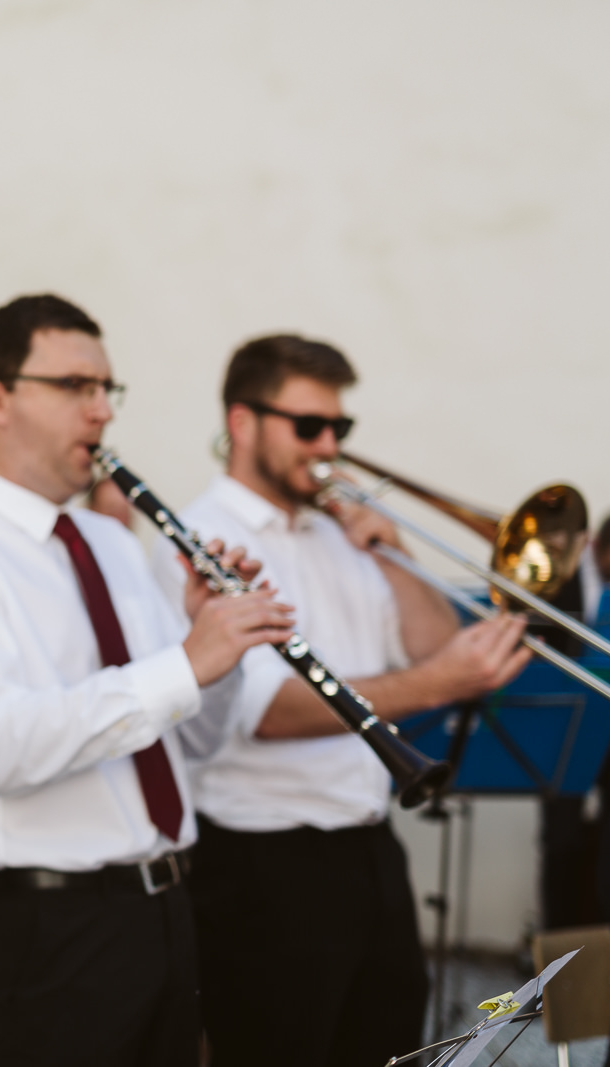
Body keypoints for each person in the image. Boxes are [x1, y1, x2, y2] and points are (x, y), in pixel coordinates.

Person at [0, 294, 296, 1067]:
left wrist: (217, 654)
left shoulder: (112, 545)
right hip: (52, 930)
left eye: (108, 389)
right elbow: (2, 746)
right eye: (77, 386)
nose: (103, 411)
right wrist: (184, 663)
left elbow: (193, 744)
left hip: (167, 908)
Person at [148, 334, 530, 1067]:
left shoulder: (335, 532)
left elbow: (428, 643)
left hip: (367, 842)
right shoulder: (200, 540)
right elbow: (268, 710)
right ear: (242, 422)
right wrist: (438, 684)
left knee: (388, 1048)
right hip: (263, 862)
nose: (329, 447)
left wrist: (398, 557)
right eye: (308, 426)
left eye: (340, 429)